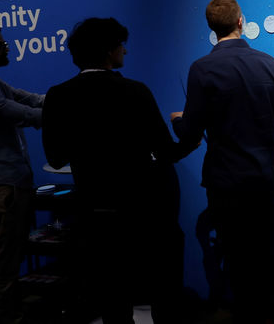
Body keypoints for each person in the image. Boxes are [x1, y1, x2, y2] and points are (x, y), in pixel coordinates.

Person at [42, 18, 184, 324]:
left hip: (94, 210)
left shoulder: (58, 95)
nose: (126, 51)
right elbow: (165, 152)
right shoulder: (135, 91)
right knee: (160, 287)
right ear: (108, 51)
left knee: (112, 299)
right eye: (121, 45)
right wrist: (192, 137)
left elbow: (54, 158)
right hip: (141, 208)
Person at [171, 0, 274, 323]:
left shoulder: (201, 69)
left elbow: (191, 132)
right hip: (263, 177)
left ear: (212, 28)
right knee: (262, 250)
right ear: (241, 22)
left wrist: (178, 121)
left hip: (224, 179)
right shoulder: (270, 64)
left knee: (236, 254)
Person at [0, 27, 45, 324]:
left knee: (10, 260)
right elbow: (19, 112)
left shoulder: (0, 84)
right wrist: (73, 110)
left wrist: (70, 97)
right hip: (4, 188)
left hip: (13, 184)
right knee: (3, 263)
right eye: (1, 43)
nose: (7, 47)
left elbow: (33, 100)